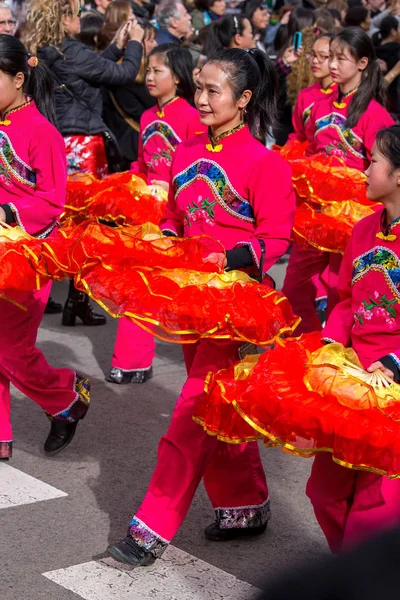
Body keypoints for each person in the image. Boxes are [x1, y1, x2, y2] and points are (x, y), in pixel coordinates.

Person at [106, 47, 295, 567]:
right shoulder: (188, 151)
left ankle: (152, 525)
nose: (203, 99)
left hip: (235, 305)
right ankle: (244, 505)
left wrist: (229, 256)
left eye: (215, 91)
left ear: (245, 98)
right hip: (187, 299)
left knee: (192, 411)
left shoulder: (266, 163)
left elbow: (276, 238)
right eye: (200, 89)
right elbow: (174, 217)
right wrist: (165, 240)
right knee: (219, 405)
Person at [307, 124, 400, 553]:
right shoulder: (363, 230)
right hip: (353, 377)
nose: (364, 170)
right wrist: (332, 344)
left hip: (393, 386)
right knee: (324, 493)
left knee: (374, 508)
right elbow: (344, 299)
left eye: (374, 161)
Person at [25, 0, 144, 327]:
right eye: (75, 13)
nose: (80, 18)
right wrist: (134, 42)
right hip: (84, 146)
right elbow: (122, 74)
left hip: (61, 143)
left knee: (66, 224)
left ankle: (68, 300)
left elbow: (90, 69)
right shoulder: (72, 53)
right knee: (89, 229)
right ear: (64, 17)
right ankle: (77, 300)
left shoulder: (47, 51)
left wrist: (116, 45)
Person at [0, 35, 91, 461]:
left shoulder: (42, 132)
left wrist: (7, 213)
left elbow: (53, 201)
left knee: (11, 348)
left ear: (19, 78)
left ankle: (65, 396)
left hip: (28, 254)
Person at [282, 28, 394, 333]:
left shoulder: (375, 115)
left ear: (361, 63)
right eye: (330, 56)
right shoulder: (317, 104)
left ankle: (334, 353)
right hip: (316, 215)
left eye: (340, 58)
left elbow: (382, 172)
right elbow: (305, 144)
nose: (332, 64)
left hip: (354, 221)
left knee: (339, 294)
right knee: (293, 287)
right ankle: (306, 346)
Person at [108, 43, 204, 385]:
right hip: (145, 208)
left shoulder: (193, 117)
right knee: (135, 283)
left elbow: (197, 169)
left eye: (157, 71)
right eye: (147, 70)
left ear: (177, 77)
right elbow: (143, 163)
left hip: (174, 211)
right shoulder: (148, 116)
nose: (148, 77)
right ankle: (131, 360)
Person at [103, 20, 157, 170]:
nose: (156, 44)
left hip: (126, 145)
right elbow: (144, 112)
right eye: (150, 40)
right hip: (130, 147)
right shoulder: (128, 80)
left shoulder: (114, 72)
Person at [374, 15, 400, 113]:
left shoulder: (372, 47)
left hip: (374, 100)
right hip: (392, 99)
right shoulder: (397, 51)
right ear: (393, 31)